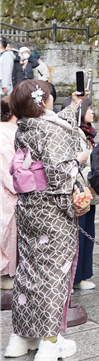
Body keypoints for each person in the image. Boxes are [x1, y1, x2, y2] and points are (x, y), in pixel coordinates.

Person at [4, 80, 89, 361]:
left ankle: (21, 337)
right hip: (52, 212)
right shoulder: (51, 131)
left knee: (29, 272)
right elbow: (61, 175)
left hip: (28, 208)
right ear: (43, 102)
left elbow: (54, 125)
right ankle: (50, 342)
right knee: (54, 274)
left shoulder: (25, 128)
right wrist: (79, 158)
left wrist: (74, 106)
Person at [61, 95, 98, 291]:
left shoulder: (88, 133)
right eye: (89, 108)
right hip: (80, 191)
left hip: (88, 192)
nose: (92, 112)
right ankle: (76, 277)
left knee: (88, 233)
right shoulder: (74, 133)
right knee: (80, 235)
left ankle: (82, 274)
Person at [0, 97, 17, 290]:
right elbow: (6, 165)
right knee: (6, 233)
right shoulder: (5, 132)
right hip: (7, 191)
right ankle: (5, 274)